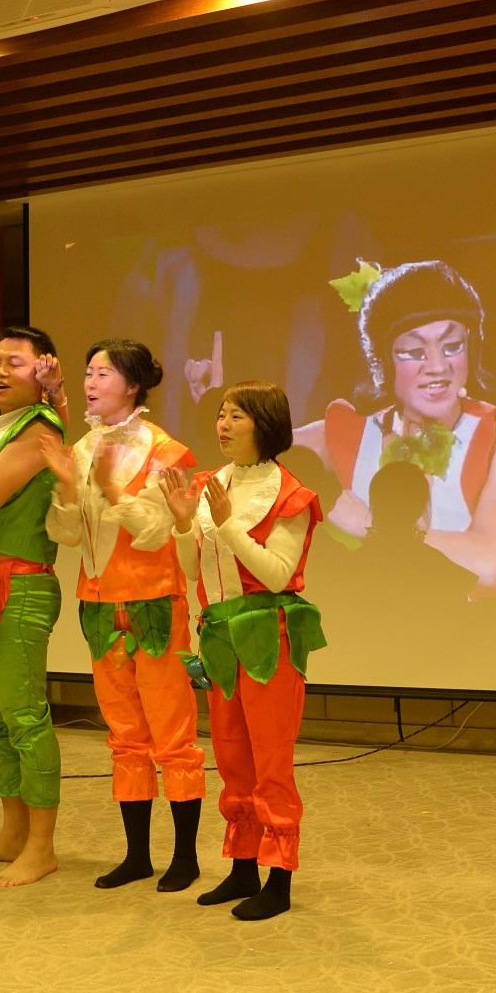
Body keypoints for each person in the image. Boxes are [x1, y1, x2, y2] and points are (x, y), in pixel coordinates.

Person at [40, 338, 206, 891]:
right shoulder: (84, 448)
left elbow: (158, 532)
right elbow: (67, 535)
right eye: (88, 372)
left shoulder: (167, 452)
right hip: (98, 605)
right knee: (125, 735)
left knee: (173, 736)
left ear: (133, 385)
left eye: (103, 374)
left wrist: (112, 489)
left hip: (154, 602)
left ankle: (186, 857)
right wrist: (68, 490)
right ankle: (137, 855)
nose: (90, 383)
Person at [163, 382, 326, 920]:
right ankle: (243, 867)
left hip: (266, 637)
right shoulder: (211, 484)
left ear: (266, 423)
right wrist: (184, 524)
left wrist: (228, 524)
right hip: (218, 635)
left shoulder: (291, 495)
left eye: (237, 415)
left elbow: (277, 574)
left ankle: (279, 880)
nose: (223, 424)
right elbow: (194, 571)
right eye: (221, 414)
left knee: (271, 760)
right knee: (233, 758)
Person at [292, 259, 496, 595]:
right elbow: (248, 459)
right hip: (378, 619)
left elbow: (490, 562)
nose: (437, 367)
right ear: (383, 361)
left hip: (481, 621)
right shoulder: (349, 434)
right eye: (415, 352)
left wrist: (372, 527)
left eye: (452, 347)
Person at [0, 326, 71, 886]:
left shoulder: (39, 425)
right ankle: (12, 832)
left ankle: (42, 846)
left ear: (43, 372)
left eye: (15, 363)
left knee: (24, 716)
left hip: (17, 586)